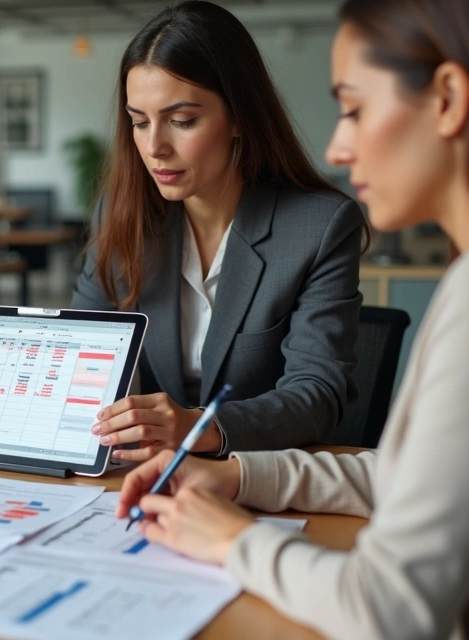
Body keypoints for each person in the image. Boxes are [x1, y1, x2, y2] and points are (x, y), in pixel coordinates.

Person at [117, 0, 469, 637]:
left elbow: (389, 611)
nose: (338, 145)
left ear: (449, 99)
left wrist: (233, 542)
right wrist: (239, 476)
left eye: (355, 109)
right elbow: (404, 475)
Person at [72, 0, 365, 461]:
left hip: (256, 476)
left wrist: (198, 427)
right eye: (139, 122)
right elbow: (80, 360)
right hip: (143, 474)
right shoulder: (121, 215)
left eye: (182, 121)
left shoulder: (319, 227)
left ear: (239, 117)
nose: (154, 147)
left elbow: (318, 393)